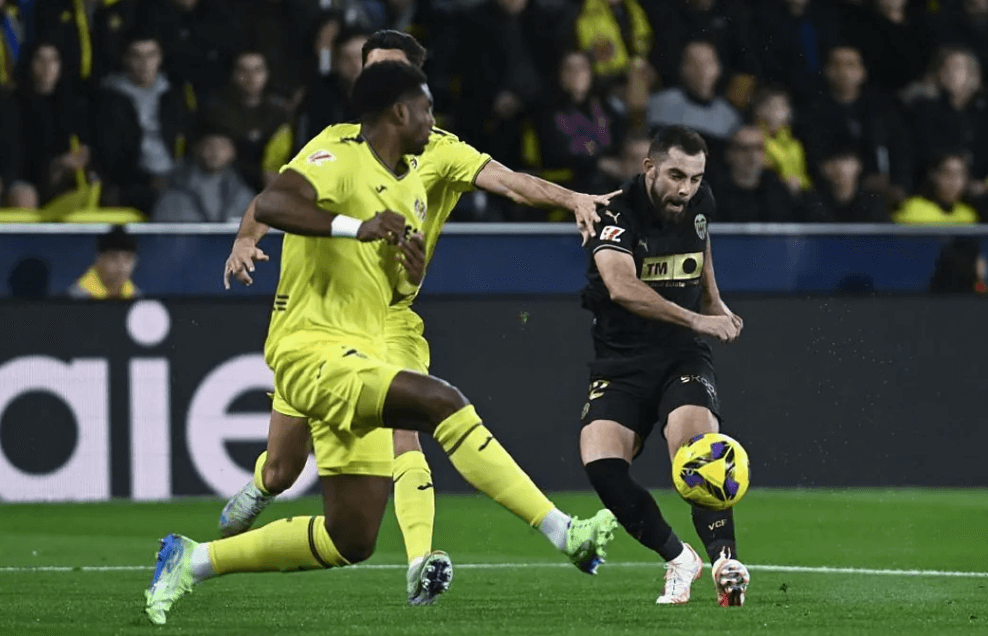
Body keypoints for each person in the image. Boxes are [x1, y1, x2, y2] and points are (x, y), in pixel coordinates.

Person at [144, 61, 618, 626]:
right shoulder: (340, 155)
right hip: (311, 349)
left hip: (362, 353)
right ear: (399, 110)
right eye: (426, 108)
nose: (433, 120)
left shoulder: (411, 188)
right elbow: (272, 204)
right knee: (441, 404)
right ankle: (564, 532)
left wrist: (407, 266)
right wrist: (353, 227)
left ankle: (191, 560)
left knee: (352, 538)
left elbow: (394, 285)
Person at [578, 125, 749, 607]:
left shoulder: (699, 202)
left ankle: (724, 563)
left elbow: (701, 243)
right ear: (649, 168)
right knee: (603, 468)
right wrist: (699, 316)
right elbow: (621, 287)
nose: (686, 189)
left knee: (699, 450)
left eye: (695, 178)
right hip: (620, 361)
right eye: (676, 175)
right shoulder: (615, 211)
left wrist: (713, 300)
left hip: (681, 356)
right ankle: (680, 559)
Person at [152, 132, 256, 223]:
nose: (215, 152)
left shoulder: (244, 195)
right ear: (197, 148)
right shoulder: (174, 190)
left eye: (222, 147)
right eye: (209, 145)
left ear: (233, 152)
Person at [67, 225, 141, 299]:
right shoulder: (77, 297)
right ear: (99, 260)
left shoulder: (136, 295)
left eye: (128, 258)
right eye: (114, 258)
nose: (121, 267)